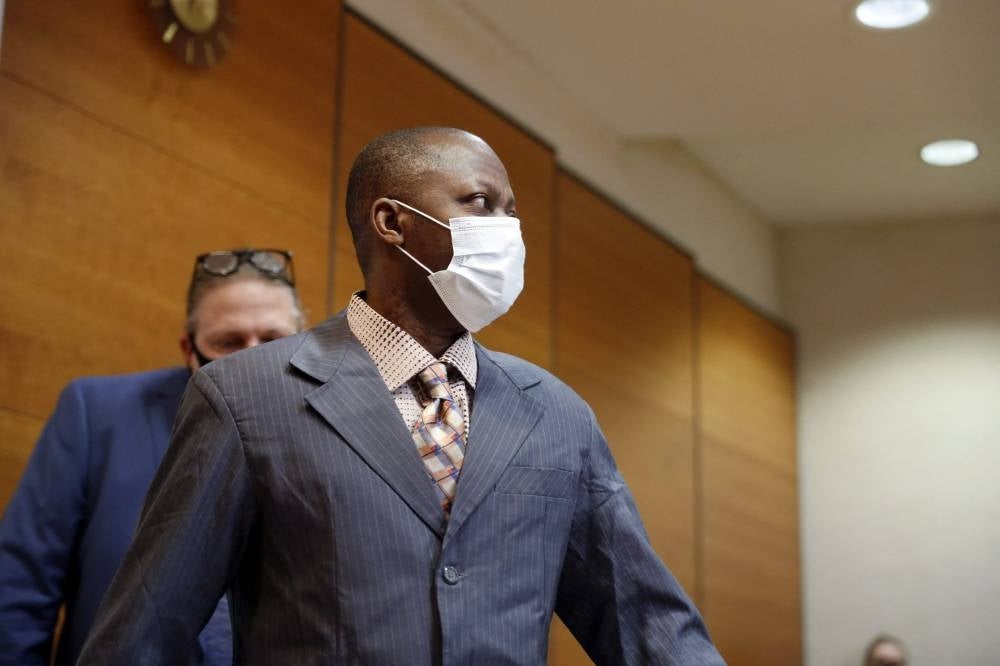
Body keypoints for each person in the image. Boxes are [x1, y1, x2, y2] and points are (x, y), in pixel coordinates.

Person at [78, 128, 724, 664]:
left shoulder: (554, 412)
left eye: (512, 210)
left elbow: (642, 620)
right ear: (392, 222)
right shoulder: (246, 396)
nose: (507, 229)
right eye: (480, 202)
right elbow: (147, 630)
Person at [0, 248, 305, 666]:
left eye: (273, 341)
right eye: (228, 343)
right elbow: (19, 590)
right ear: (188, 348)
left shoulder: (342, 431)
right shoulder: (97, 413)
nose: (253, 362)